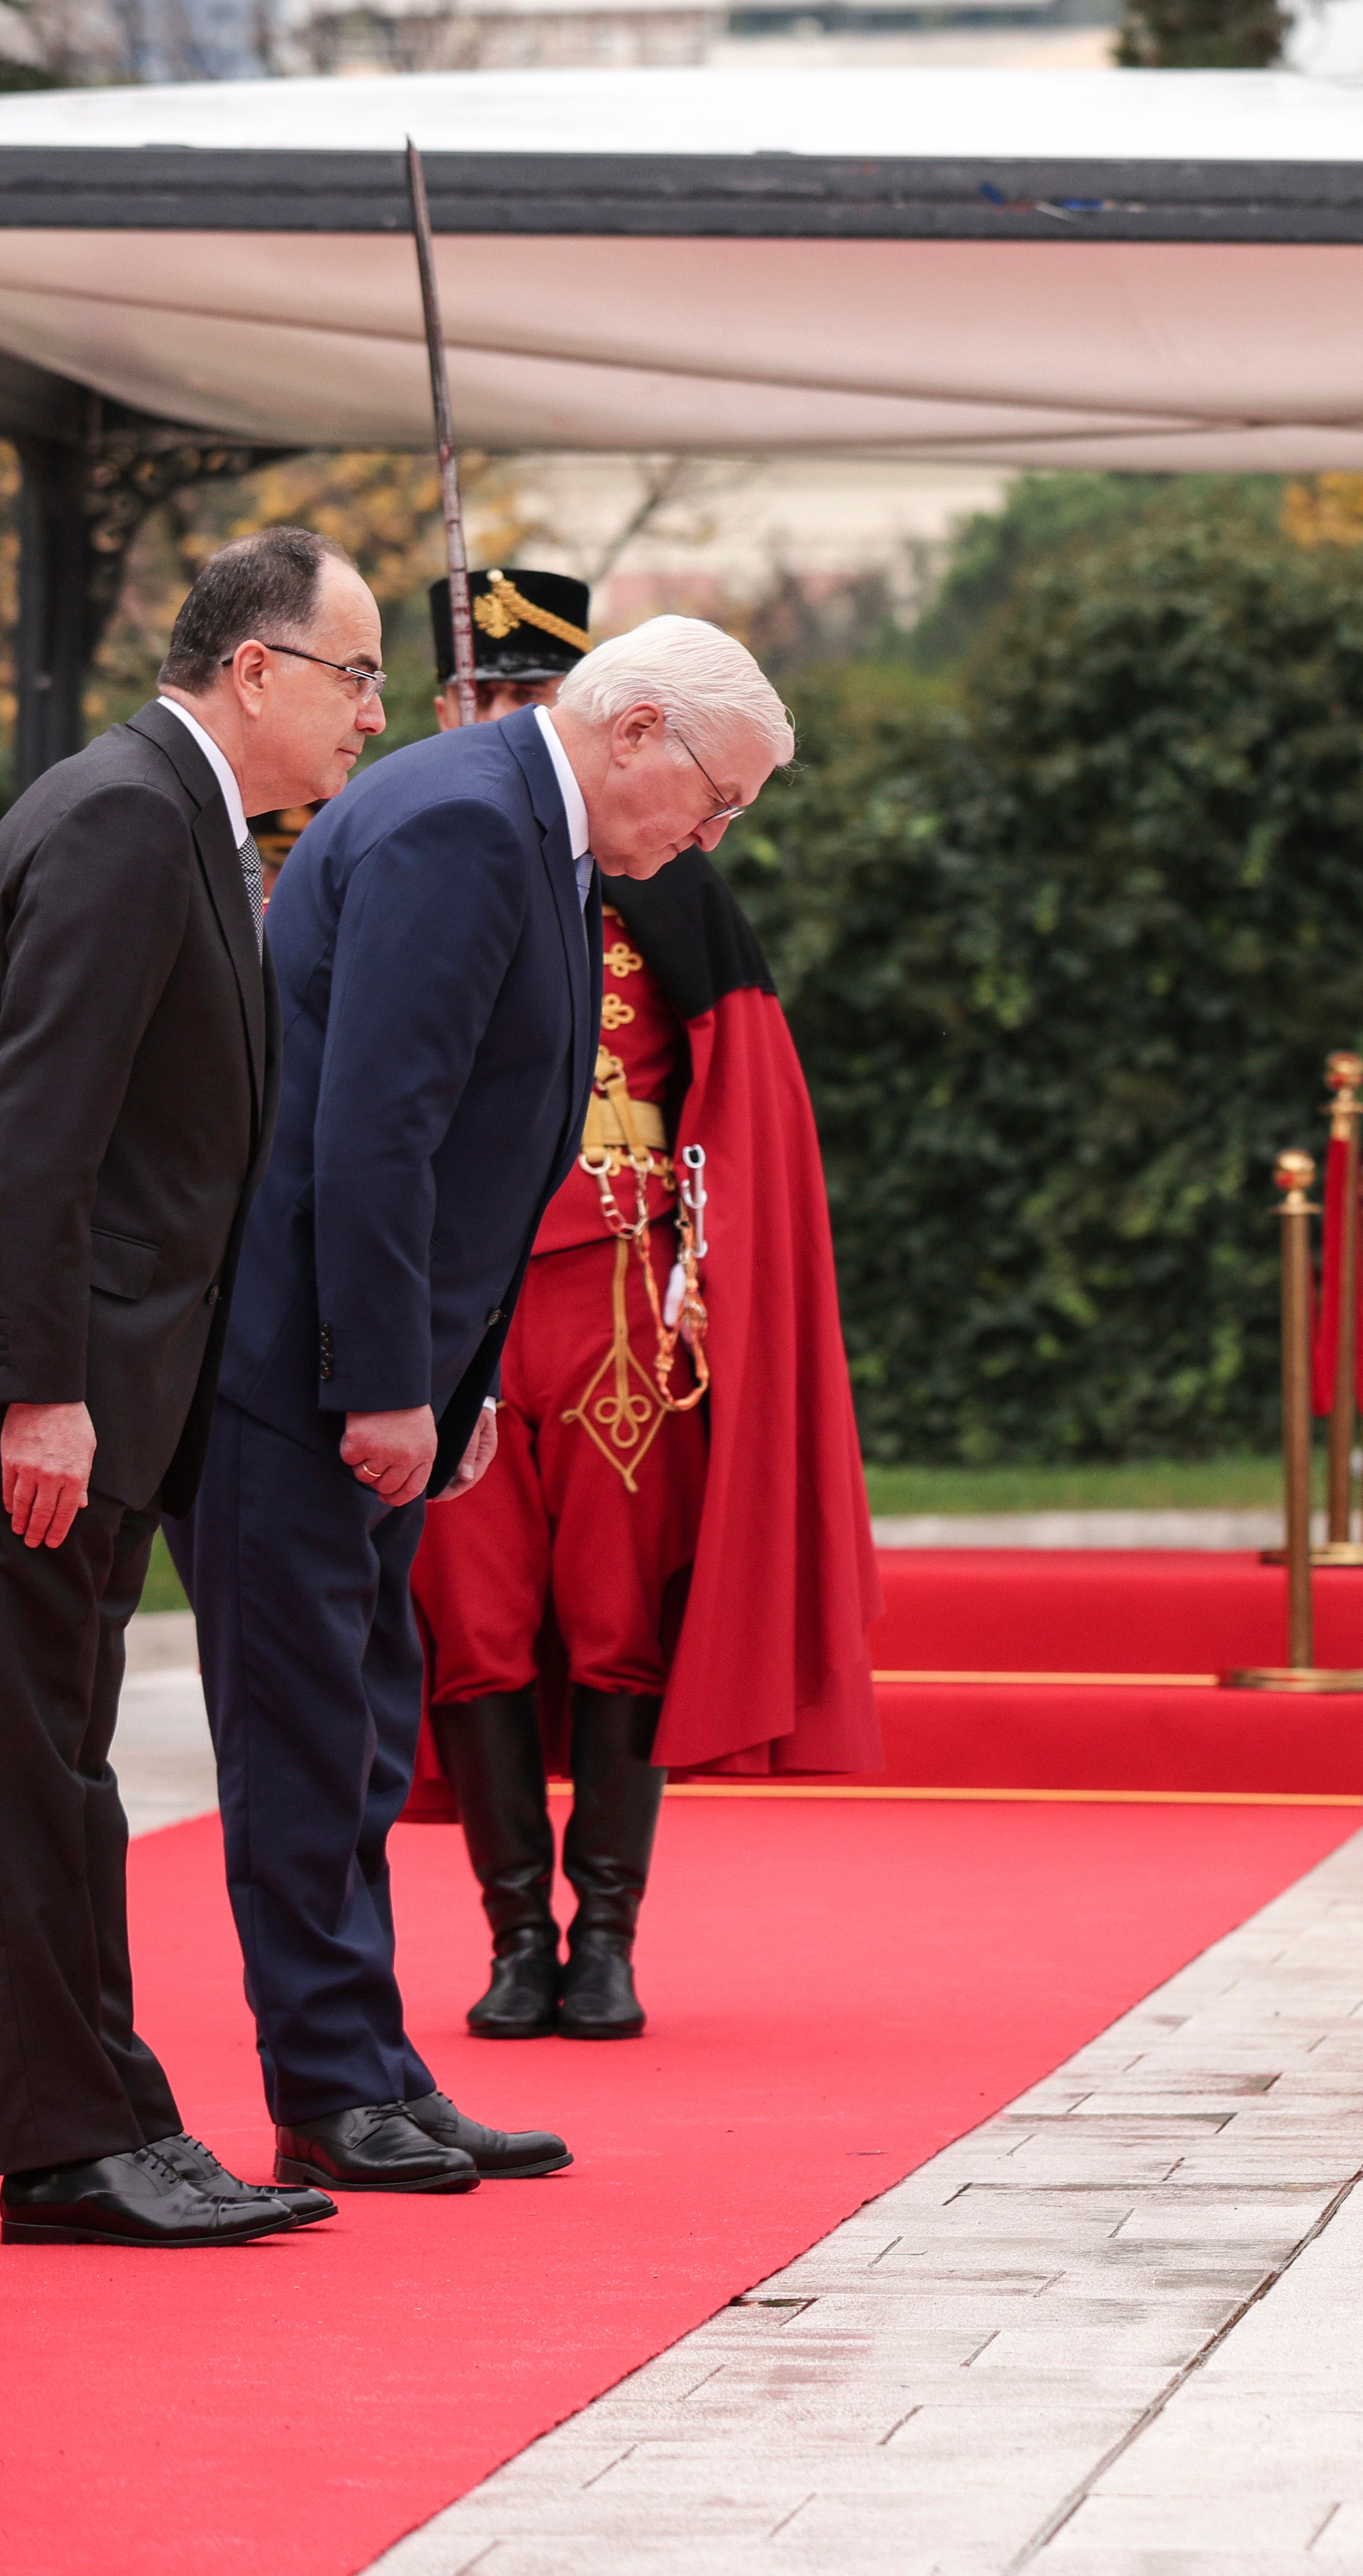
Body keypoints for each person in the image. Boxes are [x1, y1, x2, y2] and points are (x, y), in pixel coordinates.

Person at [0, 531, 383, 2247]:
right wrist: (37, 1390)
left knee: (65, 1758)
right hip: (20, 1381)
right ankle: (68, 2153)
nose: (374, 714)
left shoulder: (178, 811)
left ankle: (119, 2117)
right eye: (356, 676)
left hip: (86, 1372)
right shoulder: (128, 816)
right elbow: (36, 1129)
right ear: (255, 670)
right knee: (31, 1768)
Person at [176, 610, 788, 2197]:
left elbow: (483, 1142)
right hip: (304, 1371)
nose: (713, 837)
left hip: (368, 1371)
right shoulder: (464, 822)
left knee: (363, 1731)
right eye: (716, 798)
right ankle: (328, 2086)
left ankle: (371, 2065)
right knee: (311, 1738)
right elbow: (378, 1127)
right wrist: (391, 1383)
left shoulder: (530, 825)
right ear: (638, 729)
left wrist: (454, 1385)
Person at [400, 573, 879, 2045]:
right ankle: (512, 1938)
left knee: (617, 1620)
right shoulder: (408, 856)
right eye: (481, 695)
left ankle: (604, 1935)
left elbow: (740, 1098)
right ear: (447, 705)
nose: (502, 719)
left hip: (621, 1297)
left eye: (527, 694)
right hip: (462, 1306)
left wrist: (718, 1284)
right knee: (473, 1624)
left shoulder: (668, 874)